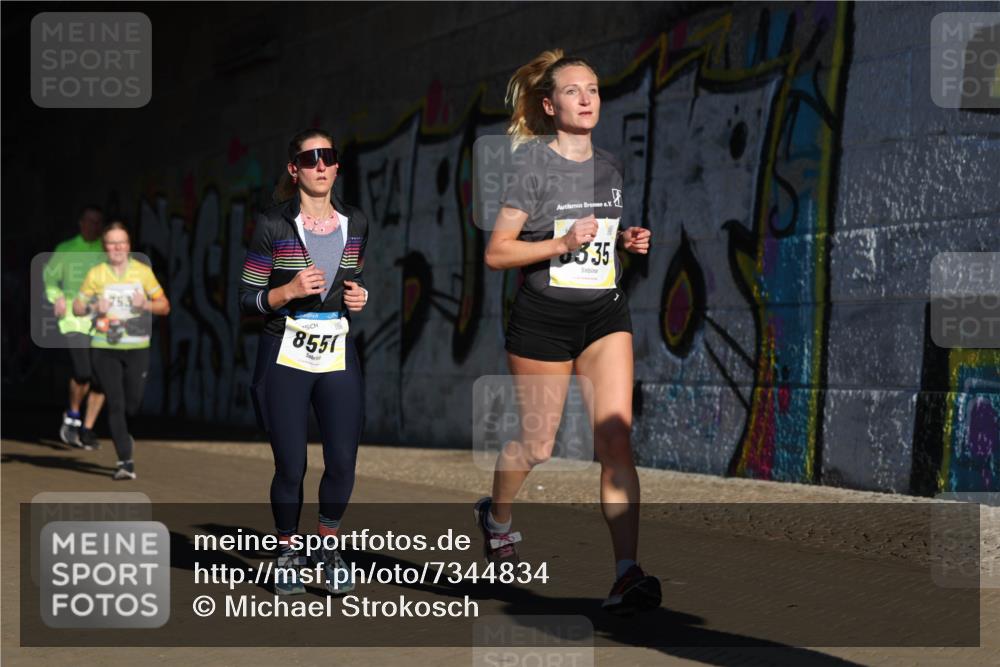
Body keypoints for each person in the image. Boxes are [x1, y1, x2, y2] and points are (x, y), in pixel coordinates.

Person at [479, 50, 659, 615]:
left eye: (595, 89)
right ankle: (496, 515)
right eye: (574, 91)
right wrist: (561, 244)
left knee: (616, 440)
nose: (587, 99)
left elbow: (598, 250)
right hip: (543, 322)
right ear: (550, 104)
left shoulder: (610, 166)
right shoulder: (531, 167)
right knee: (536, 445)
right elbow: (497, 253)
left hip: (605, 314)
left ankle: (626, 573)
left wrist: (624, 245)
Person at [239, 128, 369, 596]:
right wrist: (288, 291)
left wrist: (358, 296)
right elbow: (246, 300)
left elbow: (351, 279)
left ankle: (328, 547)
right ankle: (289, 551)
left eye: (327, 156)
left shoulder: (356, 221)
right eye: (309, 158)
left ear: (336, 166)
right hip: (284, 350)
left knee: (342, 460)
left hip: (336, 347)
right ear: (294, 170)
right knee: (291, 465)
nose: (319, 165)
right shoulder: (273, 224)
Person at [73, 221, 170, 480]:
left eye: (122, 242)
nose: (117, 247)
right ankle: (125, 461)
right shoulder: (96, 274)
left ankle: (124, 433)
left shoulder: (141, 272)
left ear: (129, 246)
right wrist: (95, 305)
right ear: (105, 247)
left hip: (137, 347)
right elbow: (77, 308)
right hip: (105, 347)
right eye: (112, 243)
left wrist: (146, 304)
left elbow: (165, 306)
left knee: (132, 405)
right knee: (115, 403)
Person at [43, 204, 107, 449]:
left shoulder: (107, 251)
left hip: (103, 321)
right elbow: (49, 278)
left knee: (101, 379)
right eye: (90, 221)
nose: (94, 226)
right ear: (81, 223)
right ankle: (72, 416)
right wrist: (56, 295)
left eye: (98, 222)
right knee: (83, 372)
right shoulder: (66, 249)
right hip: (73, 318)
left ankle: (87, 429)